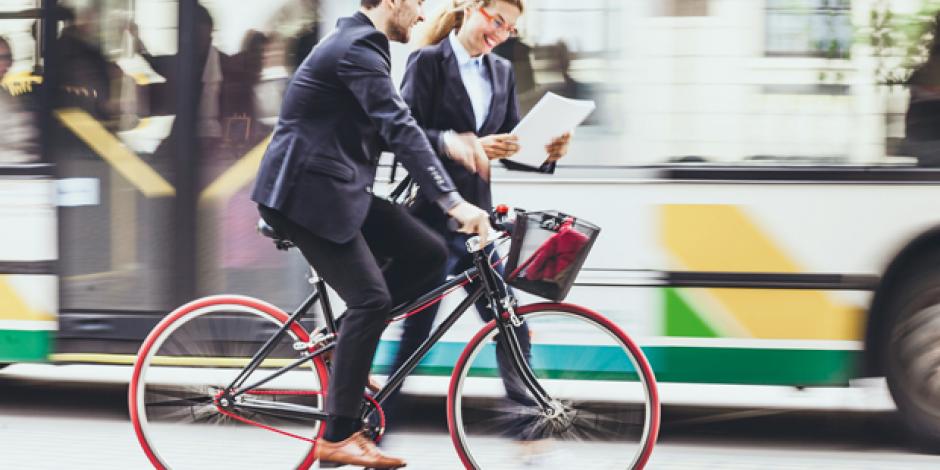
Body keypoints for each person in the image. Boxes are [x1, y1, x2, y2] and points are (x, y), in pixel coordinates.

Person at [250, 0, 492, 467]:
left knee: (428, 253)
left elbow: (389, 125)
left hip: (339, 189)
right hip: (306, 197)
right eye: (419, 3)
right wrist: (453, 201)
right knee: (371, 299)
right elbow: (397, 127)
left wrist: (446, 143)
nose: (423, 16)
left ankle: (341, 344)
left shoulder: (365, 47)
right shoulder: (357, 47)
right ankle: (338, 437)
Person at [383, 0, 571, 434]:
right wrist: (459, 142)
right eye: (496, 20)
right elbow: (404, 137)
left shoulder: (500, 73)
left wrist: (546, 153)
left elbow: (508, 147)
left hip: (476, 225)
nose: (500, 33)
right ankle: (370, 424)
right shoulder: (427, 62)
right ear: (470, 9)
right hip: (432, 219)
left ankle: (527, 425)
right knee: (417, 334)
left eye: (510, 29)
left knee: (510, 320)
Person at [0, 36, 39, 164]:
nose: (10, 64)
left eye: (9, 57)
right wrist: (23, 157)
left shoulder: (5, 92)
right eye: (3, 57)